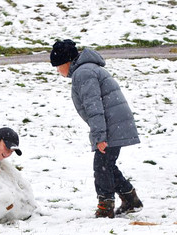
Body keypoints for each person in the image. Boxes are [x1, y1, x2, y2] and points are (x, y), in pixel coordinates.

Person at [50, 39, 143, 218]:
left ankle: (105, 207)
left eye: (57, 66)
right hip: (115, 123)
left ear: (66, 62)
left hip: (111, 125)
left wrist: (100, 137)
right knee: (106, 165)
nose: (57, 71)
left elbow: (94, 108)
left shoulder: (83, 73)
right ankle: (130, 199)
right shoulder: (86, 70)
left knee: (102, 166)